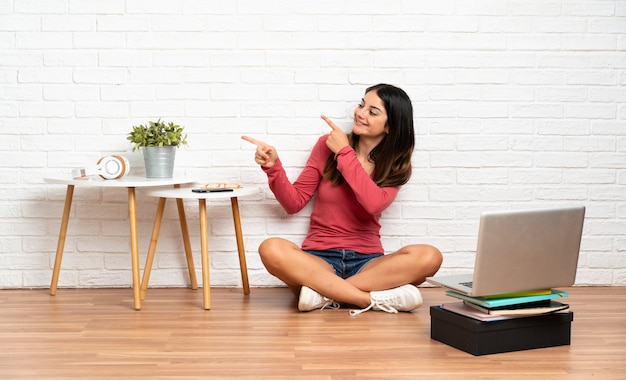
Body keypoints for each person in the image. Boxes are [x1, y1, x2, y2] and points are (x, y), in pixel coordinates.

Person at [242, 83, 442, 316]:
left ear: (390, 127)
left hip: (368, 264)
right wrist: (273, 167)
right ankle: (370, 300)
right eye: (361, 105)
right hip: (318, 260)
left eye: (372, 111)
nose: (360, 113)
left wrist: (344, 153)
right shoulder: (326, 146)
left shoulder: (395, 164)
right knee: (271, 248)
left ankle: (324, 294)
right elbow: (293, 203)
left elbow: (373, 203)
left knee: (430, 256)